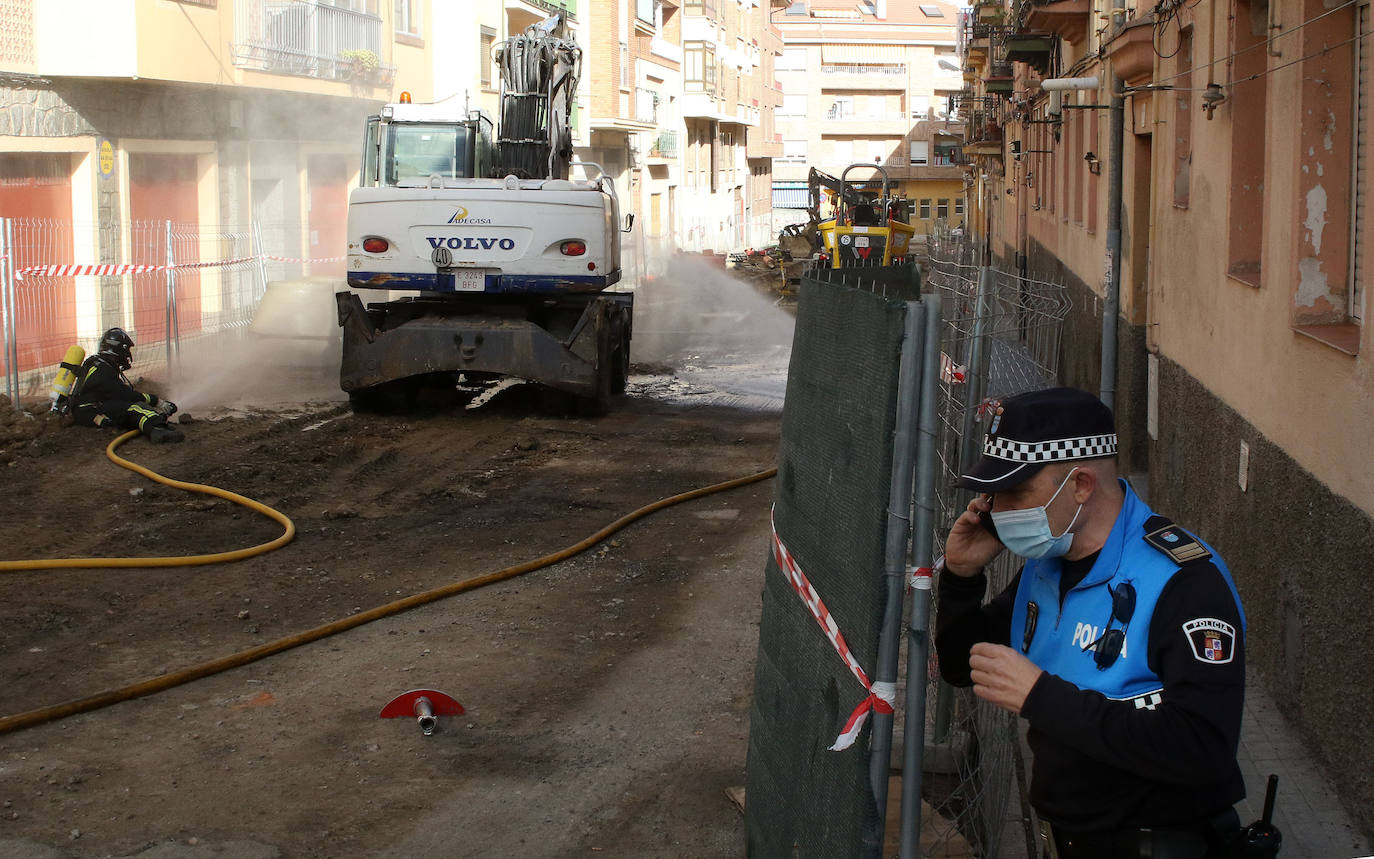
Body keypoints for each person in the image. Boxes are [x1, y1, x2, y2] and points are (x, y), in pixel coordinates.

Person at [935, 387, 1247, 858]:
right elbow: (964, 667)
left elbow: (1203, 747)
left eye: (1014, 494)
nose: (995, 513)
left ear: (1081, 485)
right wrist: (961, 577)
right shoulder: (1047, 563)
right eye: (992, 496)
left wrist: (1041, 696)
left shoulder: (1182, 582)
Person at [71, 328, 184, 444]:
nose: (127, 355)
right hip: (91, 411)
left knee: (128, 409)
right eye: (126, 350)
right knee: (135, 407)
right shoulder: (103, 369)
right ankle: (156, 430)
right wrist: (158, 402)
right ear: (117, 349)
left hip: (90, 410)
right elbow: (124, 394)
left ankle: (158, 425)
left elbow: (115, 394)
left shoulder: (98, 363)